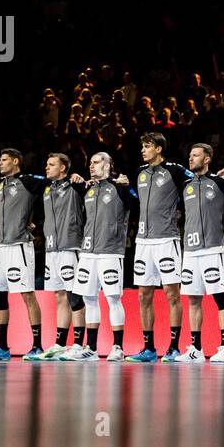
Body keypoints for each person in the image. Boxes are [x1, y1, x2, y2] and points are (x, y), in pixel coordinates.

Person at [62, 152, 138, 361]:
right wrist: (76, 178)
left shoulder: (119, 187)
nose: (91, 166)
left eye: (96, 162)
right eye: (90, 163)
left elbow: (137, 205)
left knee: (113, 298)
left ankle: (118, 347)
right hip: (87, 252)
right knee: (89, 298)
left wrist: (128, 185)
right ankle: (92, 348)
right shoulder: (89, 188)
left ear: (108, 164)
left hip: (110, 251)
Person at [128, 133, 192, 362]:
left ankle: (174, 347)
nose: (143, 151)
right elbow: (136, 198)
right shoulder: (139, 172)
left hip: (167, 239)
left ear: (158, 148)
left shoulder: (175, 170)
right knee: (144, 294)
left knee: (171, 294)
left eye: (146, 147)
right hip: (143, 241)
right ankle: (149, 349)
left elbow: (199, 181)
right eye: (142, 146)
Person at [0, 148, 48, 360]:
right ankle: (2, 347)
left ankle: (37, 346)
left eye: (4, 160)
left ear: (16, 161)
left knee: (27, 294)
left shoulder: (28, 181)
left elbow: (52, 186)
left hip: (19, 246)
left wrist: (38, 221)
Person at [173, 143, 224, 364]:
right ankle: (196, 349)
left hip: (213, 248)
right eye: (190, 155)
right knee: (193, 299)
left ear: (207, 159)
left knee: (219, 297)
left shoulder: (220, 182)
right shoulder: (185, 185)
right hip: (190, 251)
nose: (191, 158)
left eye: (196, 155)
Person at [35, 153, 88, 360]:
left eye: (51, 164)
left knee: (75, 295)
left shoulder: (74, 186)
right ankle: (59, 343)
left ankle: (78, 343)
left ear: (64, 167)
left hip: (71, 245)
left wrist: (79, 180)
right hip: (52, 249)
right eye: (46, 164)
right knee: (60, 296)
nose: (47, 168)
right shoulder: (48, 188)